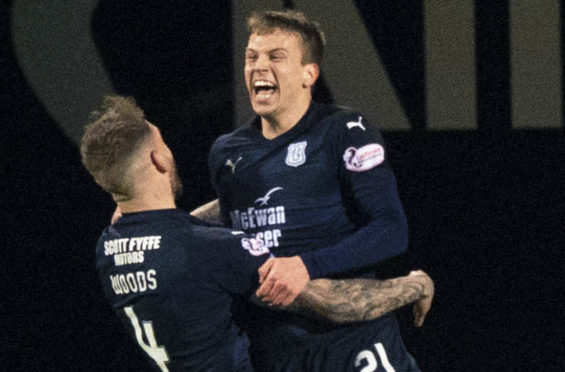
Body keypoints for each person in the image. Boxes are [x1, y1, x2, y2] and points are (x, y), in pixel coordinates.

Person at [83, 96, 433, 371]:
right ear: (159, 160)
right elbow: (332, 304)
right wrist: (414, 285)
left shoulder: (107, 246)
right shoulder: (210, 251)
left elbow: (174, 233)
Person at [200, 9, 422, 371]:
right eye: (251, 56)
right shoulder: (226, 152)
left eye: (276, 57)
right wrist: (150, 216)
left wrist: (307, 265)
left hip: (353, 341)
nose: (258, 66)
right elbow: (227, 215)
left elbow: (391, 230)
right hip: (275, 349)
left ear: (309, 74)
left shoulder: (344, 130)